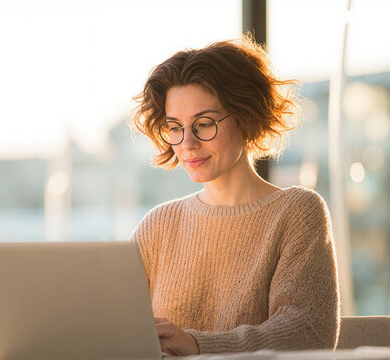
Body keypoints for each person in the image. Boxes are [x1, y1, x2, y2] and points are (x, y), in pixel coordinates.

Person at [130, 35, 340, 356]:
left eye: (204, 123)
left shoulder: (297, 212)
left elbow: (308, 332)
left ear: (245, 118)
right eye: (175, 127)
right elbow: (118, 327)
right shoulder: (157, 225)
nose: (187, 143)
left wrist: (199, 345)